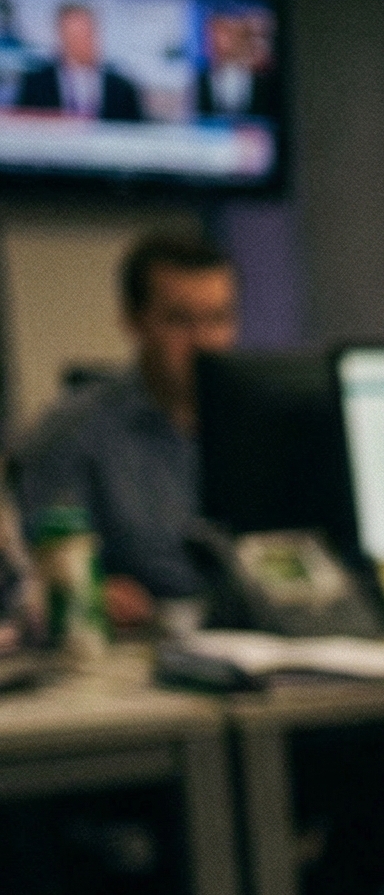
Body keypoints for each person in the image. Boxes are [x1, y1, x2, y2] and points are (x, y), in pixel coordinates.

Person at [13, 230, 237, 630]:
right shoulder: (73, 432)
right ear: (134, 321)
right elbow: (41, 578)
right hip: (140, 650)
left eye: (218, 319)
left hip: (256, 638)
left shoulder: (259, 418)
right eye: (180, 321)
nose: (205, 342)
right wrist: (91, 591)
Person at [16, 2, 143, 121]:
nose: (82, 42)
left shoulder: (121, 88)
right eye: (75, 35)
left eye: (87, 33)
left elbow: (138, 133)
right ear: (61, 36)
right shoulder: (36, 84)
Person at [193, 7, 279, 120]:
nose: (216, 39)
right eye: (213, 32)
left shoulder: (264, 78)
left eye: (225, 31)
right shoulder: (199, 78)